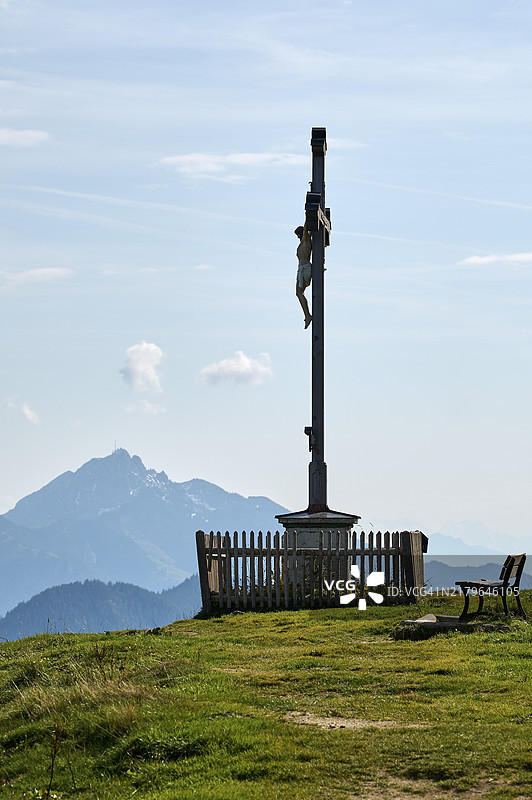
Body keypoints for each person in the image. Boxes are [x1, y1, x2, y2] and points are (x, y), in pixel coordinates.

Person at [295, 224, 312, 329]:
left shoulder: (306, 240)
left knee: (299, 293)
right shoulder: (303, 242)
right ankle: (307, 315)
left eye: (298, 234)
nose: (298, 237)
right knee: (299, 293)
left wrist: (307, 213)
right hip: (303, 269)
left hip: (305, 268)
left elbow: (306, 226)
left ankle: (307, 315)